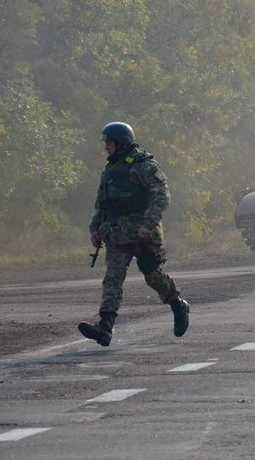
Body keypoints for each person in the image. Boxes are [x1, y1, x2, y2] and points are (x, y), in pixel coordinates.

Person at [79, 122, 190, 346]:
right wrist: (94, 229)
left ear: (121, 143)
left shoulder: (144, 165)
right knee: (112, 278)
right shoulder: (109, 169)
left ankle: (178, 304)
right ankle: (105, 327)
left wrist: (148, 224)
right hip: (116, 234)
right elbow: (102, 203)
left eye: (109, 143)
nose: (106, 147)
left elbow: (161, 196)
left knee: (152, 275)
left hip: (143, 234)